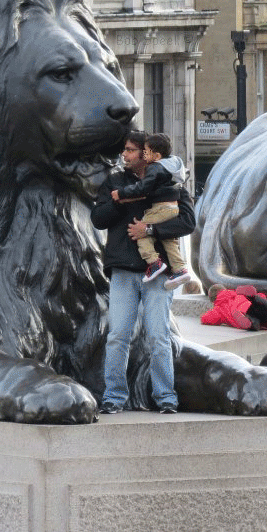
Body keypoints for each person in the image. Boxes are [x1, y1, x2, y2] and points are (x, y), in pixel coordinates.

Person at [92, 131, 195, 415]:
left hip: (159, 272)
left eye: (130, 150)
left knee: (159, 336)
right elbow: (98, 219)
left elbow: (188, 221)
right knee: (118, 336)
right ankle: (114, 396)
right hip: (124, 268)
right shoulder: (115, 182)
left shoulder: (169, 178)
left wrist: (149, 230)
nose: (124, 155)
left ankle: (165, 397)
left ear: (146, 154)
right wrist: (117, 201)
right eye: (124, 150)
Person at [111, 133, 193, 290]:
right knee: (170, 241)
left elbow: (144, 188)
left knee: (141, 235)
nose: (124, 154)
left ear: (156, 155)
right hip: (172, 208)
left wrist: (122, 194)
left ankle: (154, 262)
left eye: (146, 152)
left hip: (160, 208)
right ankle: (180, 269)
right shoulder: (173, 167)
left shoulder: (154, 168)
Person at [202, 284, 267, 331]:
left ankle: (250, 321)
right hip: (250, 305)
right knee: (257, 300)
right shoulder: (236, 293)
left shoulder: (219, 308)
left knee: (250, 318)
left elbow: (206, 318)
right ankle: (261, 302)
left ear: (212, 301)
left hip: (242, 314)